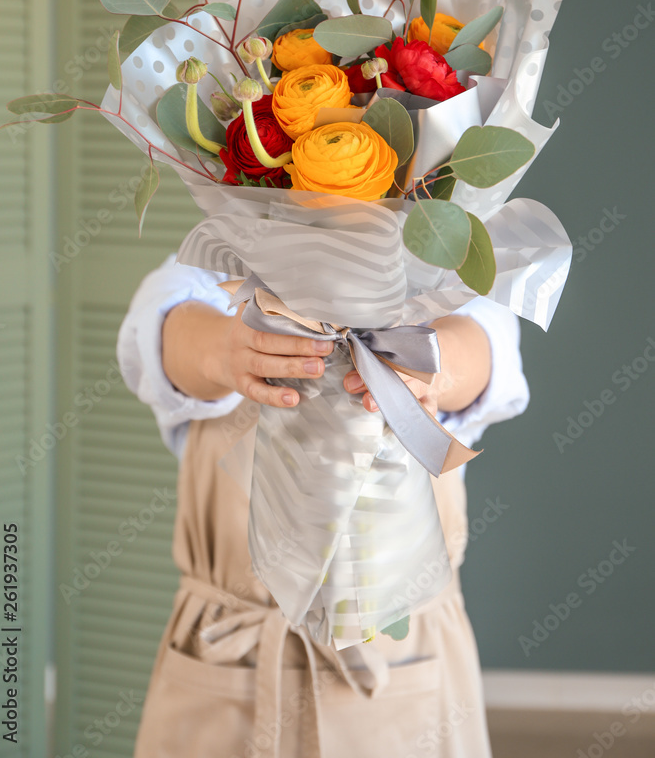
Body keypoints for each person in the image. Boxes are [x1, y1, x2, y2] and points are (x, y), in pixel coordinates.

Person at [117, 254, 529, 758]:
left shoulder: (443, 276)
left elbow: (488, 349)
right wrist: (227, 351)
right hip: (228, 664)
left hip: (397, 662)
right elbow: (157, 332)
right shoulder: (213, 267)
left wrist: (433, 366)